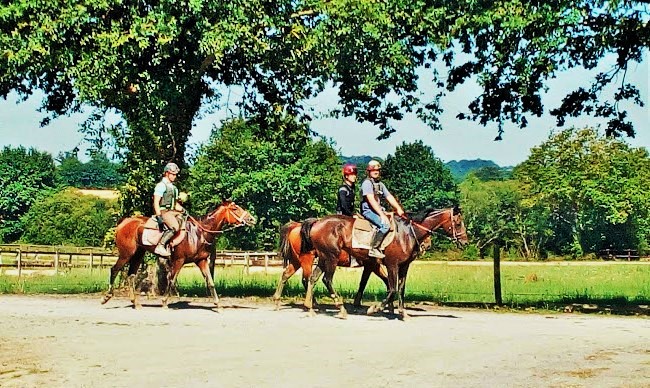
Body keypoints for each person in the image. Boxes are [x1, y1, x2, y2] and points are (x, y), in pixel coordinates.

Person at [360, 160, 405, 258]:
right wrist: (382, 214)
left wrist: (398, 208)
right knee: (385, 225)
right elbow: (371, 200)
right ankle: (374, 248)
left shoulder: (380, 184)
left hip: (378, 210)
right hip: (369, 211)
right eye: (373, 170)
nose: (376, 172)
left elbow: (389, 197)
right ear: (369, 171)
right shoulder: (367, 183)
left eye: (378, 170)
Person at [153, 162, 185, 257]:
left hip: (172, 211)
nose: (174, 176)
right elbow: (156, 202)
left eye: (175, 174)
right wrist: (158, 215)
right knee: (174, 226)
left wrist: (183, 210)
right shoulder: (161, 185)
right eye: (173, 174)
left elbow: (175, 205)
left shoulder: (174, 188)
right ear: (167, 173)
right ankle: (160, 245)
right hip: (164, 211)